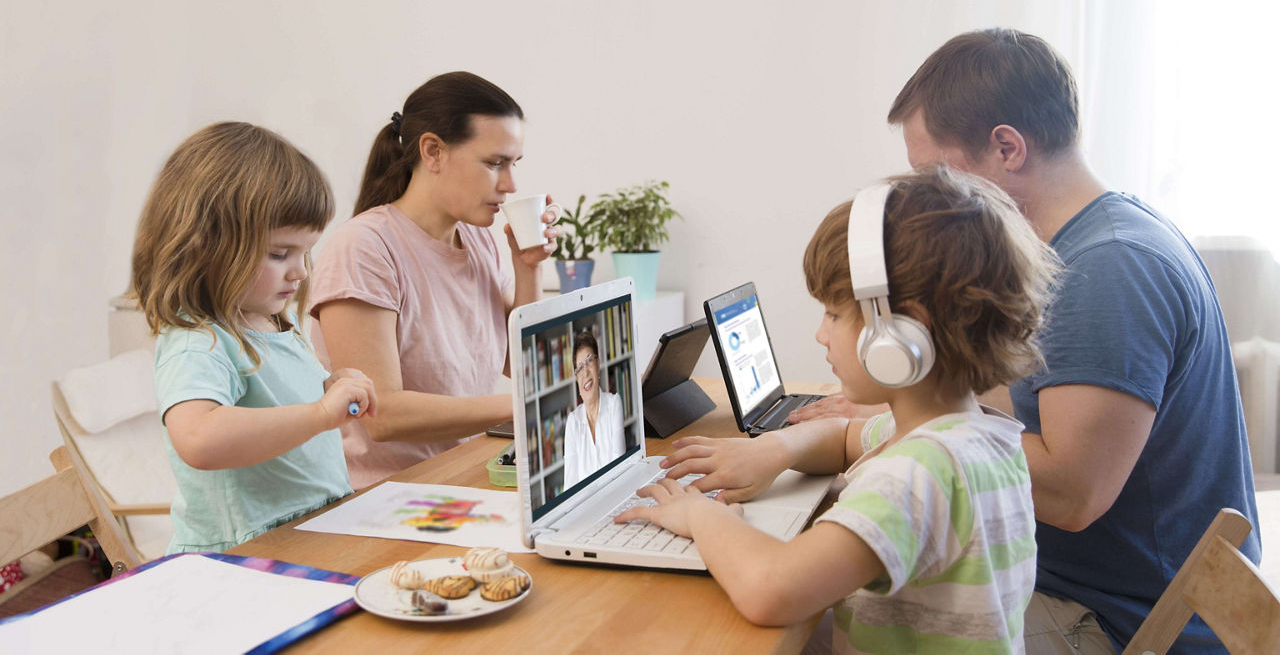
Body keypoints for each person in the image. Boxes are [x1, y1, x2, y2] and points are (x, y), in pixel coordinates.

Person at [793, 28, 1260, 653]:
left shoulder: (1109, 269)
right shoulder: (1087, 242)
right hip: (1090, 588)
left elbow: (1071, 494)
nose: (924, 198)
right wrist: (881, 414)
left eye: (933, 173)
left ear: (1007, 147)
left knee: (800, 625)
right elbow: (1013, 409)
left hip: (1116, 621)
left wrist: (885, 440)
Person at [620, 165, 1059, 653]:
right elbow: (847, 437)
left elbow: (773, 590)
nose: (820, 334)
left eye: (833, 313)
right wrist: (777, 448)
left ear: (901, 332)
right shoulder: (973, 434)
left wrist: (701, 517)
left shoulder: (915, 474)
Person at [130, 122, 377, 554]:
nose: (300, 271)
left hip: (301, 540)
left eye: (305, 252)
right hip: (239, 562)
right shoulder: (199, 339)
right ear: (205, 246)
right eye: (280, 254)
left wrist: (328, 387)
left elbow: (282, 406)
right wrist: (321, 413)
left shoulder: (274, 319)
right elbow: (200, 438)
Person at [310, 71, 558, 488]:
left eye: (513, 164)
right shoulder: (364, 248)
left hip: (466, 477)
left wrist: (528, 265)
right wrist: (525, 405)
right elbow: (381, 414)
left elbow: (524, 366)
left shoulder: (478, 239)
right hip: (391, 499)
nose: (510, 184)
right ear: (433, 151)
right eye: (494, 163)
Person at [563, 331, 625, 486]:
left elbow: (620, 472)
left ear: (598, 366)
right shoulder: (573, 421)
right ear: (576, 378)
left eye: (589, 361)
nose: (585, 372)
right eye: (579, 368)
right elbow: (570, 485)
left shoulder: (613, 404)